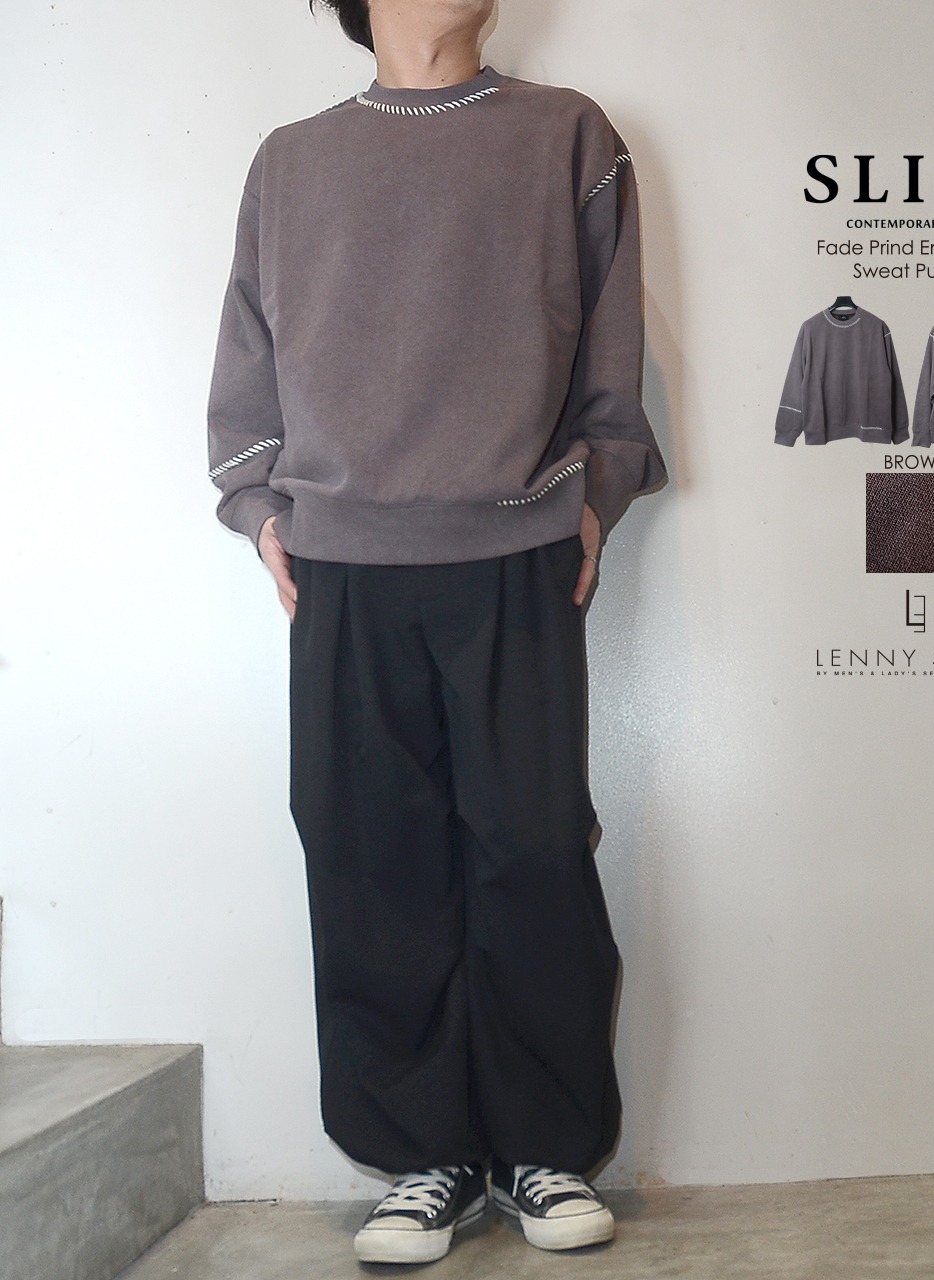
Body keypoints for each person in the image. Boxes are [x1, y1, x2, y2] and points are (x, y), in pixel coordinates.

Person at [206, 0, 666, 1264]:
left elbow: (612, 351)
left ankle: (540, 1142)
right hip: (343, 565)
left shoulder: (566, 135)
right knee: (367, 853)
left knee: (531, 846)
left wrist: (596, 491)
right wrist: (258, 507)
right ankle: (422, 1156)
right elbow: (246, 356)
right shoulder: (291, 161)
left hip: (515, 550)